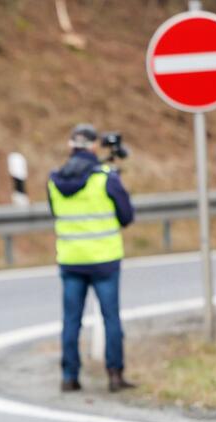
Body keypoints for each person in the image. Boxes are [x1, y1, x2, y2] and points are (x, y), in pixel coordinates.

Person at [47, 123, 135, 393]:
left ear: (71, 147)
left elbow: (56, 213)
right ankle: (115, 375)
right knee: (111, 318)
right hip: (105, 261)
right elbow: (127, 216)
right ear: (95, 147)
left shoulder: (54, 180)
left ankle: (69, 377)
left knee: (71, 320)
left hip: (71, 259)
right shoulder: (106, 177)